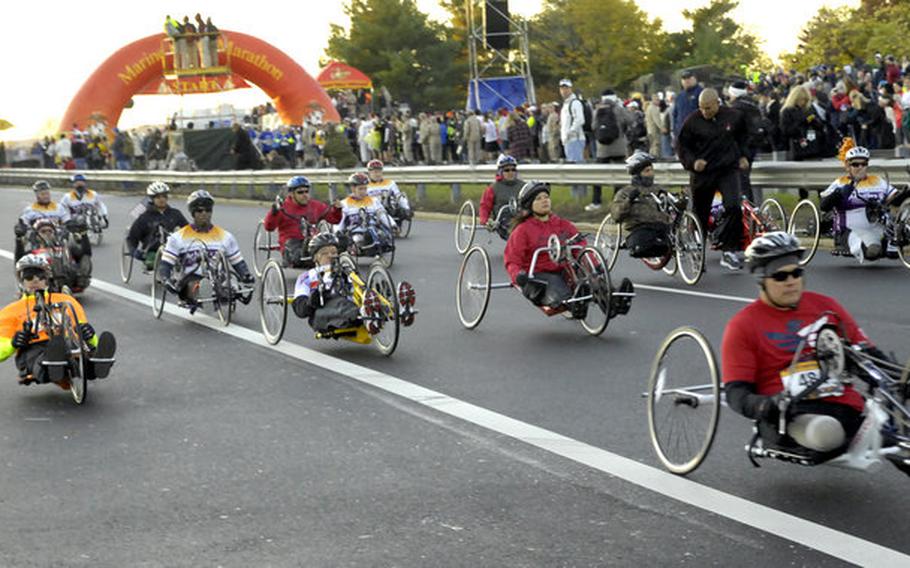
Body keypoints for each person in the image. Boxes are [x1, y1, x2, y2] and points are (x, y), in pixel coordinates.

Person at [722, 232, 887, 458]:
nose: (791, 281)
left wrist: (891, 378)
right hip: (791, 414)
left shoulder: (825, 306)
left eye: (796, 273)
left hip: (845, 406)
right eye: (780, 276)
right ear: (762, 280)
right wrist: (765, 406)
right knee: (827, 434)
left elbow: (865, 353)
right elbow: (736, 392)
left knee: (895, 431)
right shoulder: (743, 325)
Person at [504, 181, 633, 318]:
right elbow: (512, 260)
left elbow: (580, 248)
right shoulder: (522, 230)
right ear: (529, 205)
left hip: (563, 269)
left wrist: (594, 265)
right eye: (539, 199)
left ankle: (613, 300)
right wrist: (517, 275)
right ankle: (575, 304)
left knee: (591, 278)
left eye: (546, 197)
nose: (544, 201)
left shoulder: (562, 224)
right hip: (537, 276)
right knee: (557, 286)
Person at [0, 254, 116, 386]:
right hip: (34, 348)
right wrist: (13, 344)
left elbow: (81, 329)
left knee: (81, 350)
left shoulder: (66, 300)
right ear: (21, 281)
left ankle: (97, 364)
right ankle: (54, 364)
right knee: (41, 356)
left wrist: (90, 336)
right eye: (29, 276)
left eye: (40, 276)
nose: (35, 280)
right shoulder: (10, 311)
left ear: (47, 279)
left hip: (69, 343)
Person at [677, 88, 750, 271]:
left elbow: (745, 138)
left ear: (718, 103)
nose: (705, 112)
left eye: (708, 108)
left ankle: (729, 250)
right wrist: (693, 163)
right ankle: (698, 249)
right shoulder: (692, 122)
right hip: (703, 174)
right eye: (701, 108)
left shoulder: (733, 116)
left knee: (733, 206)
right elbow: (682, 147)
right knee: (700, 212)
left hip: (727, 169)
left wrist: (743, 155)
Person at [156, 190, 255, 311]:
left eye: (208, 210)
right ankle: (205, 293)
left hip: (219, 277)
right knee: (195, 286)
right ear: (193, 213)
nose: (204, 214)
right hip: (191, 278)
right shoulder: (177, 237)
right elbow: (166, 264)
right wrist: (166, 279)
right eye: (199, 210)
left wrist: (246, 275)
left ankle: (223, 292)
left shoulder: (226, 236)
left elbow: (237, 262)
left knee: (230, 284)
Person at [819, 144, 904, 261]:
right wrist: (839, 193)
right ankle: (879, 247)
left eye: (864, 164)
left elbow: (894, 200)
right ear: (847, 166)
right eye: (855, 164)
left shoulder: (877, 181)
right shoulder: (839, 183)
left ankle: (888, 244)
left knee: (901, 232)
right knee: (874, 251)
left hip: (876, 227)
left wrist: (905, 193)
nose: (860, 167)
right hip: (850, 231)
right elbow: (823, 206)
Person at [290, 232, 370, 335]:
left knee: (364, 293)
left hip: (351, 304)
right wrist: (312, 300)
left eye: (333, 252)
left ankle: (385, 306)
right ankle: (364, 314)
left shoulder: (346, 270)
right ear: (315, 257)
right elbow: (300, 309)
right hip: (323, 313)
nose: (330, 256)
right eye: (324, 253)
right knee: (339, 303)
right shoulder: (307, 277)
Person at [263, 176, 342, 268]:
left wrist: (337, 209)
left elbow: (334, 220)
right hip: (292, 243)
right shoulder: (282, 208)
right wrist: (274, 213)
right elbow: (269, 227)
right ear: (292, 194)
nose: (305, 195)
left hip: (313, 241)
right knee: (298, 254)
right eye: (300, 192)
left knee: (339, 241)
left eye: (306, 191)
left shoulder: (316, 205)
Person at [609, 151, 676, 258]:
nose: (651, 174)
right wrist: (629, 200)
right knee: (646, 246)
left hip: (660, 227)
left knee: (666, 244)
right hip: (639, 228)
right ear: (637, 174)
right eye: (647, 171)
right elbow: (616, 215)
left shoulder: (658, 189)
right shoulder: (626, 192)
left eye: (652, 170)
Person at [126, 181, 188, 270]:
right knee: (152, 264)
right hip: (152, 250)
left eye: (164, 196)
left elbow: (187, 230)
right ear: (152, 199)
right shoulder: (144, 217)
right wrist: (134, 252)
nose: (162, 199)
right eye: (158, 197)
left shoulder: (175, 214)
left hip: (173, 247)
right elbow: (132, 238)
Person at [336, 172, 395, 254]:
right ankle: (356, 248)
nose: (363, 192)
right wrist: (338, 232)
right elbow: (339, 220)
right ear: (353, 189)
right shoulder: (345, 203)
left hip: (373, 228)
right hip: (355, 230)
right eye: (360, 189)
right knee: (358, 239)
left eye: (365, 189)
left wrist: (392, 224)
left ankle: (378, 246)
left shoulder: (373, 201)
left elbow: (382, 214)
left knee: (382, 235)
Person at [14, 180, 70, 262]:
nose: (46, 196)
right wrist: (20, 228)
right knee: (21, 239)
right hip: (37, 237)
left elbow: (67, 220)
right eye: (42, 194)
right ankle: (20, 260)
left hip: (56, 234)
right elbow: (22, 223)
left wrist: (72, 224)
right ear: (37, 195)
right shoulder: (30, 209)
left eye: (47, 193)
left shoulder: (59, 207)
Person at [478, 154, 523, 239]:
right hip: (503, 220)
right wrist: (485, 220)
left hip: (521, 216)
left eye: (513, 170)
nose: (511, 173)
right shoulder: (493, 188)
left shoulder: (523, 185)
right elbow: (485, 206)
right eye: (507, 170)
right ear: (500, 171)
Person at [366, 159, 412, 225]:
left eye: (379, 171)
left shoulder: (390, 183)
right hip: (373, 208)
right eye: (375, 172)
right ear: (369, 173)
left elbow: (398, 195)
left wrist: (406, 208)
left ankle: (396, 224)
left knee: (400, 196)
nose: (377, 174)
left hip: (389, 207)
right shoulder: (365, 185)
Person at [672, 70, 703, 141]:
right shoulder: (680, 96)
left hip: (697, 134)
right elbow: (675, 115)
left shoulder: (701, 93)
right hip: (682, 134)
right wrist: (675, 131)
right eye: (684, 78)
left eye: (689, 78)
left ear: (695, 78)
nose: (686, 80)